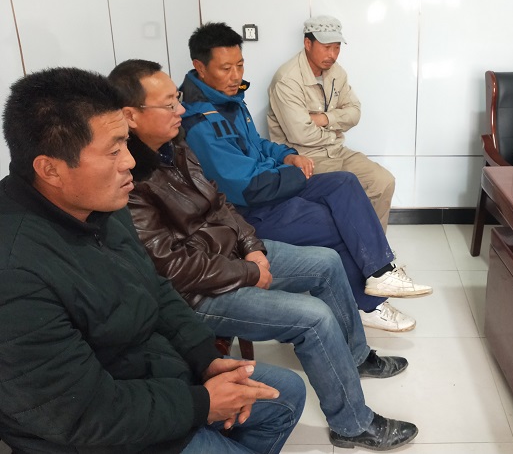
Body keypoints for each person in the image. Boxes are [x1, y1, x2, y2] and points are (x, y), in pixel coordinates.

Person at [108, 59, 419, 451]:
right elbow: (172, 269)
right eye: (169, 104)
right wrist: (248, 272)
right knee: (314, 317)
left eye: (178, 100)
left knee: (327, 261)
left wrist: (253, 249)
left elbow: (220, 202)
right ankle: (353, 424)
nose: (181, 110)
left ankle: (355, 357)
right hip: (197, 294)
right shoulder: (128, 179)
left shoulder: (175, 145)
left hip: (232, 257)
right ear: (130, 115)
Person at [0, 67, 306, 454]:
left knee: (287, 393)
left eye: (126, 145)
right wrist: (202, 405)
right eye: (113, 151)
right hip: (101, 433)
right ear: (50, 169)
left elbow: (155, 287)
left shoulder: (101, 205)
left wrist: (205, 360)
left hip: (154, 377)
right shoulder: (15, 270)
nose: (130, 162)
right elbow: (80, 414)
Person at [178, 22, 432, 333]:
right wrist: (291, 171)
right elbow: (248, 187)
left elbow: (257, 144)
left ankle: (380, 272)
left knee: (344, 182)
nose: (235, 76)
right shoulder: (201, 122)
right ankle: (366, 306)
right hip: (249, 210)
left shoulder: (228, 100)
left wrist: (287, 155)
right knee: (336, 224)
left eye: (240, 65)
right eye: (225, 68)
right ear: (200, 67)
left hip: (275, 181)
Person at [267, 15, 395, 230]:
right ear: (308, 44)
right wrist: (335, 128)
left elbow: (355, 112)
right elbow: (301, 134)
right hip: (304, 158)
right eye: (326, 47)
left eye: (337, 48)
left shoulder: (337, 72)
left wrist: (325, 119)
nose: (332, 55)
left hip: (335, 151)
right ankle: (350, 245)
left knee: (383, 181)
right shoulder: (287, 80)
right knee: (342, 197)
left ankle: (373, 246)